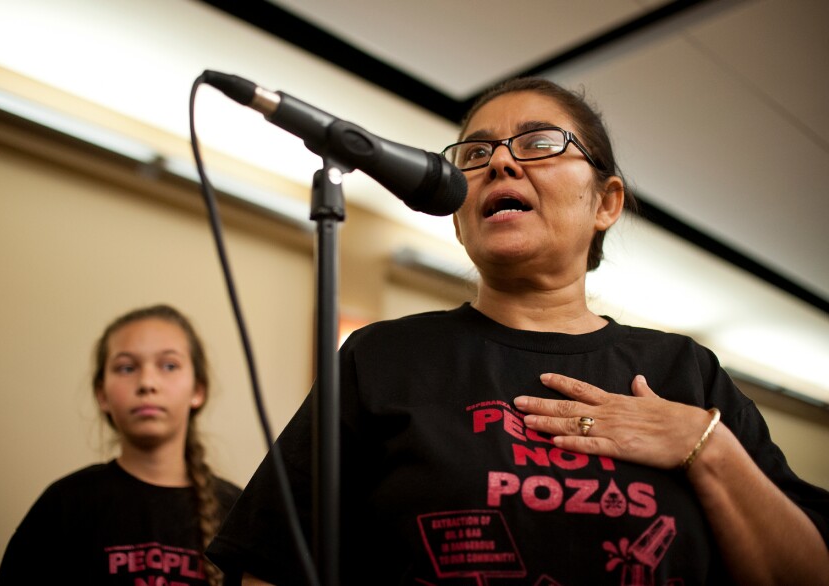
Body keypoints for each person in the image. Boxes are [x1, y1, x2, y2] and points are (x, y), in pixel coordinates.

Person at [204, 77, 829, 584]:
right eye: (476, 154)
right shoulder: (383, 359)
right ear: (456, 214)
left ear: (606, 202)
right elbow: (270, 567)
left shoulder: (687, 374)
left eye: (538, 143)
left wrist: (705, 444)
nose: (500, 161)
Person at [0, 304, 243, 586]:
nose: (147, 383)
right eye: (126, 368)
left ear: (197, 390)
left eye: (169, 366)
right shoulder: (64, 504)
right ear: (102, 395)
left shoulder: (238, 512)